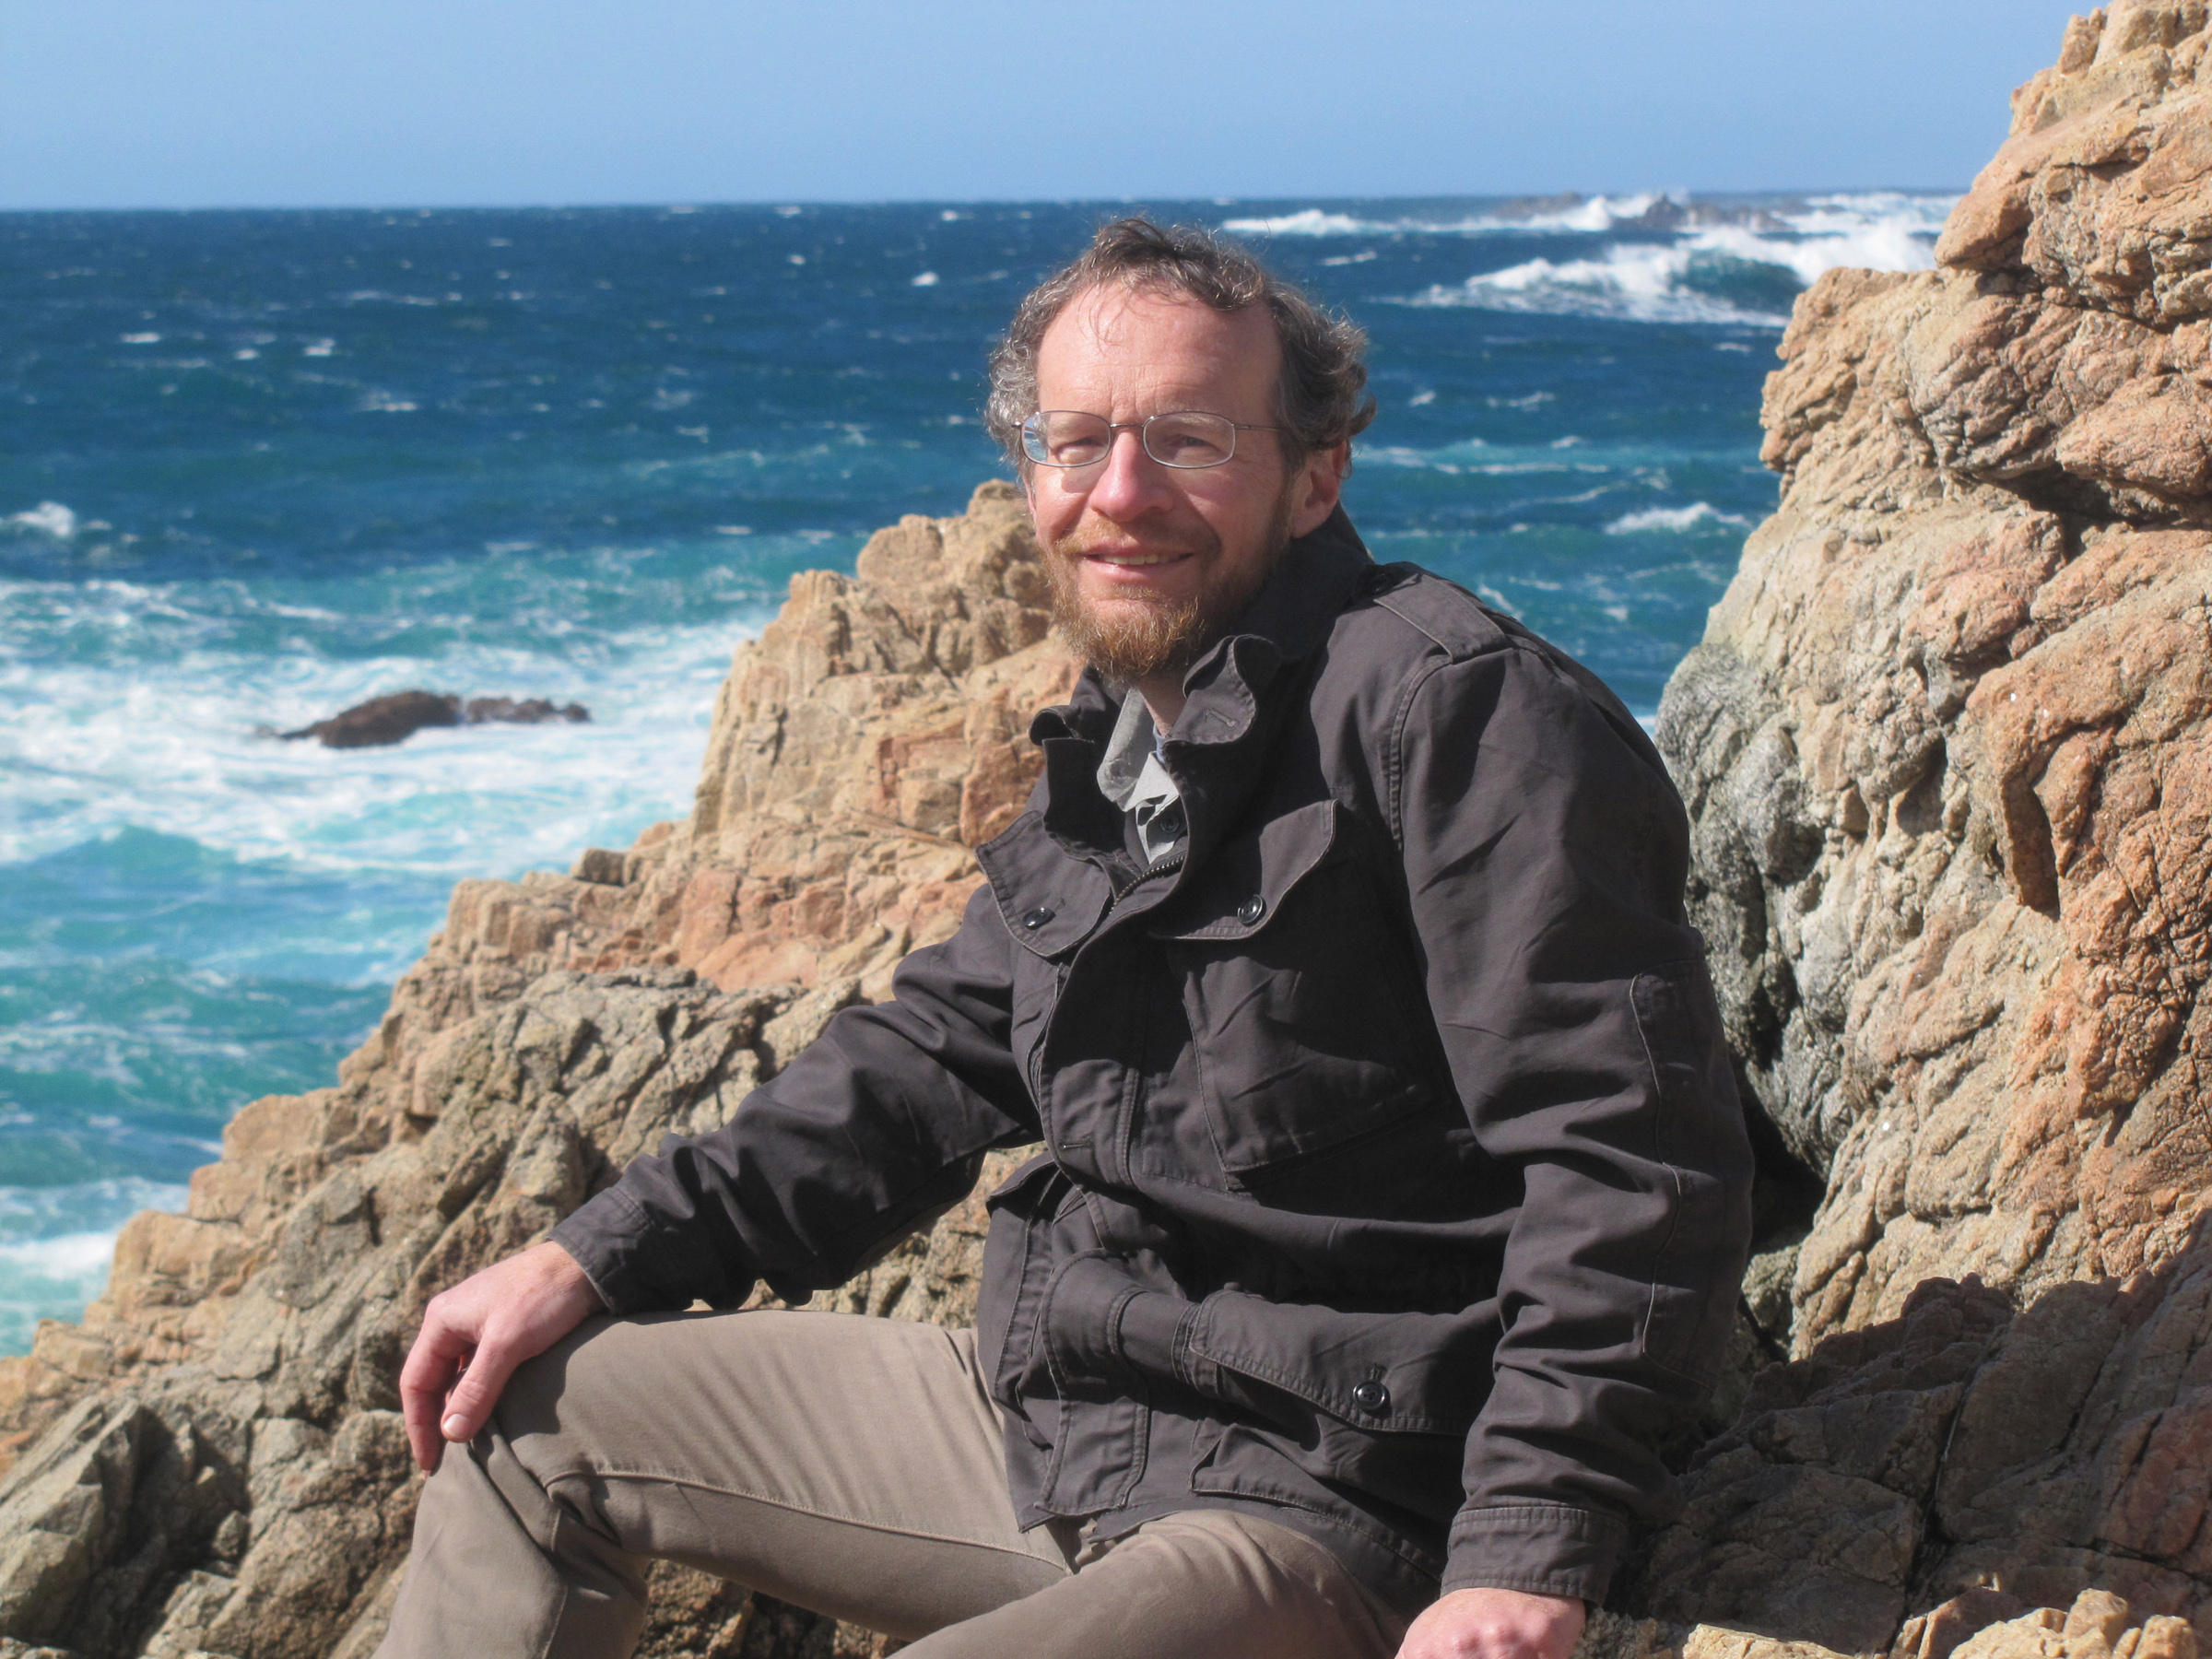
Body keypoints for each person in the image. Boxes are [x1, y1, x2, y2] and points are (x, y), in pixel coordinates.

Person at [379, 218, 1752, 1659]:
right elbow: (927, 1058)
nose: (1121, 493)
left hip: (1336, 1497)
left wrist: (1527, 1548)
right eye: (1075, 440)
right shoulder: (1129, 727)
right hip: (1080, 1423)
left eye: (1188, 439)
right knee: (519, 1418)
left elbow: (1632, 1155)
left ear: (1314, 475)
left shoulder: (1455, 713)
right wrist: (592, 1261)